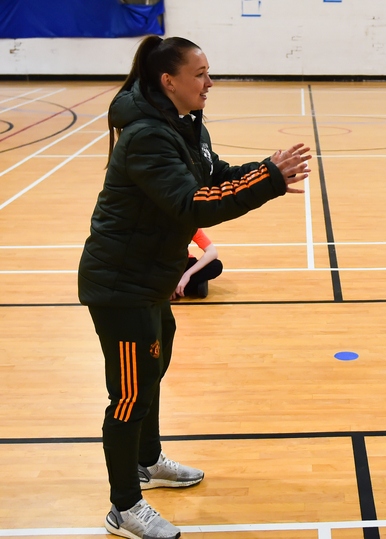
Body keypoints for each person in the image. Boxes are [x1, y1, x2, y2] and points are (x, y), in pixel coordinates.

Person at [78, 35, 311, 539]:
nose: (210, 82)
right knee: (128, 396)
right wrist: (268, 179)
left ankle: (147, 461)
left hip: (152, 278)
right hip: (121, 285)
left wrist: (261, 171)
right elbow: (196, 204)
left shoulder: (181, 124)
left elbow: (213, 174)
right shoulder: (146, 135)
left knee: (152, 371)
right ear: (169, 81)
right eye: (201, 73)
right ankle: (124, 507)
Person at [171, 229, 222, 300]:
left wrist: (187, 275)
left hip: (183, 262)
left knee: (216, 266)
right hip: (160, 265)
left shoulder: (190, 226)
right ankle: (193, 287)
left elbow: (212, 252)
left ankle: (173, 290)